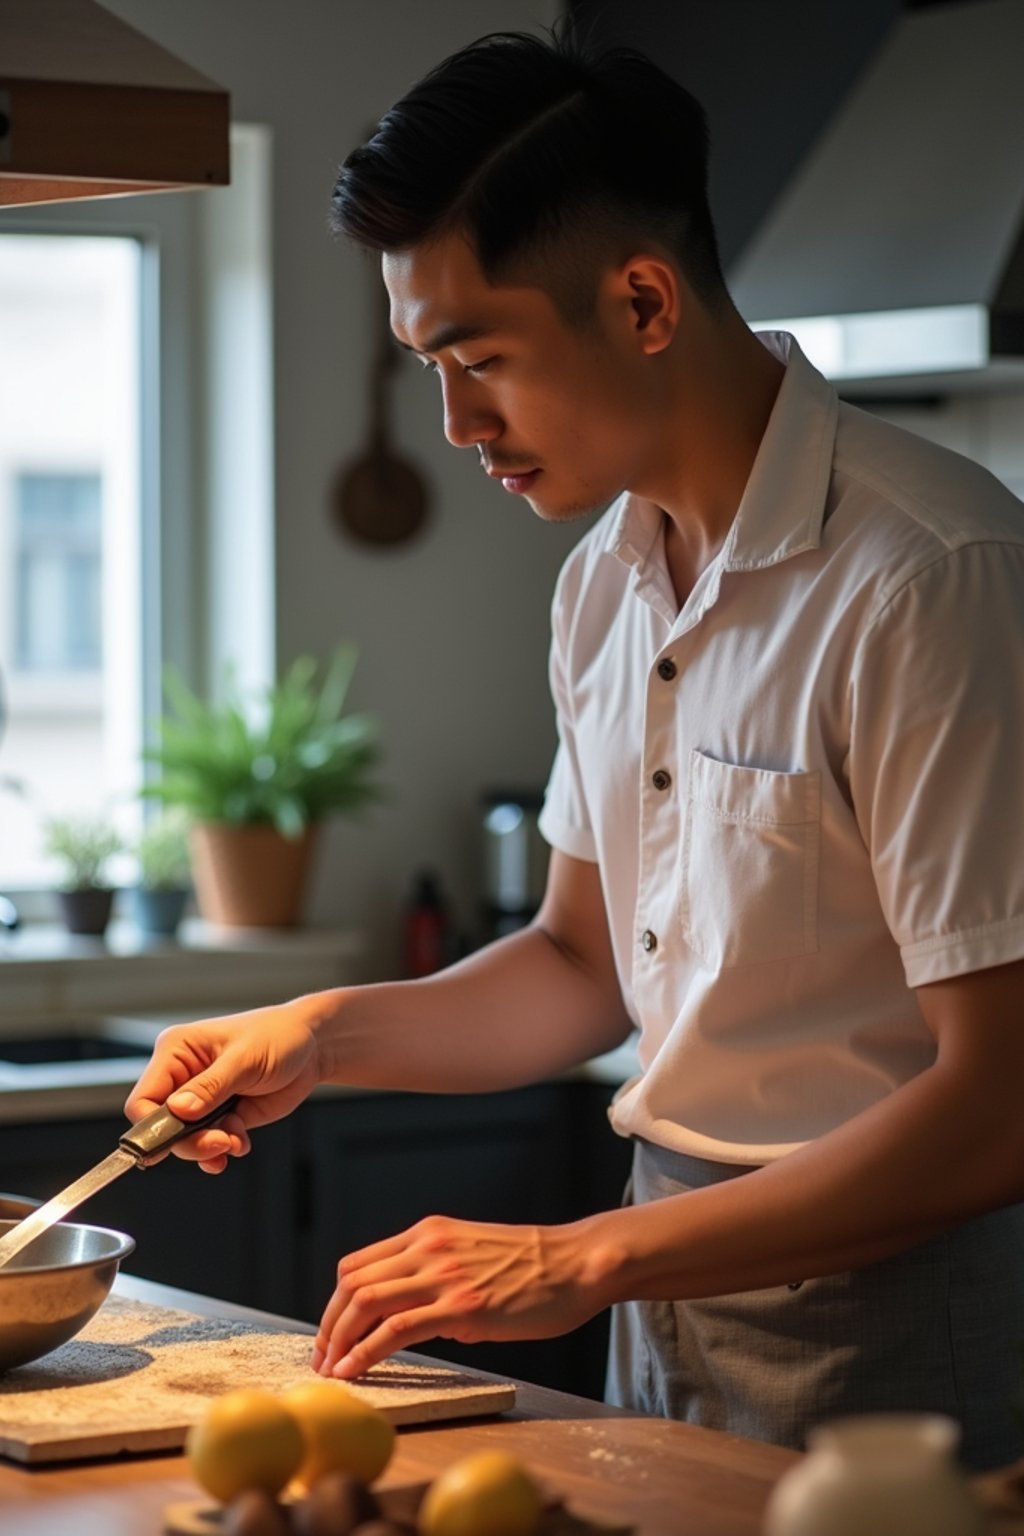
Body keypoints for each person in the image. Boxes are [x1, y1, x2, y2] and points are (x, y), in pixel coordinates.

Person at [126, 28, 1024, 1469]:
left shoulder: (930, 573)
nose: (457, 424)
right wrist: (321, 1034)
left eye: (480, 357)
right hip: (658, 1307)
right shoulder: (605, 580)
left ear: (645, 299)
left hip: (901, 1331)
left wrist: (572, 1259)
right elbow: (577, 965)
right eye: (431, 363)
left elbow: (1000, 1104)